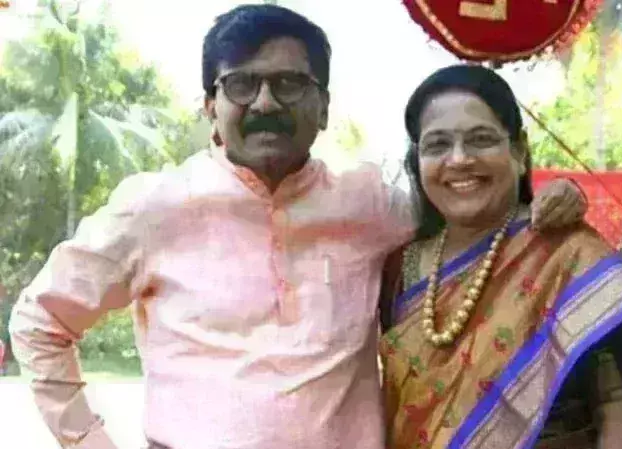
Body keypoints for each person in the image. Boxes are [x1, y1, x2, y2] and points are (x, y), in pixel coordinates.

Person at [8, 5, 588, 449]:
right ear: (211, 108)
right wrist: (88, 440)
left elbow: (468, 209)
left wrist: (556, 195)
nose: (265, 102)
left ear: (324, 106)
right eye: (241, 84)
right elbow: (40, 322)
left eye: (290, 83)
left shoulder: (371, 204)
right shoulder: (153, 209)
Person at [378, 65, 622, 449]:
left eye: (481, 139)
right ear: (418, 159)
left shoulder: (570, 254)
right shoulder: (399, 266)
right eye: (437, 145)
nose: (459, 159)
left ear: (519, 150)